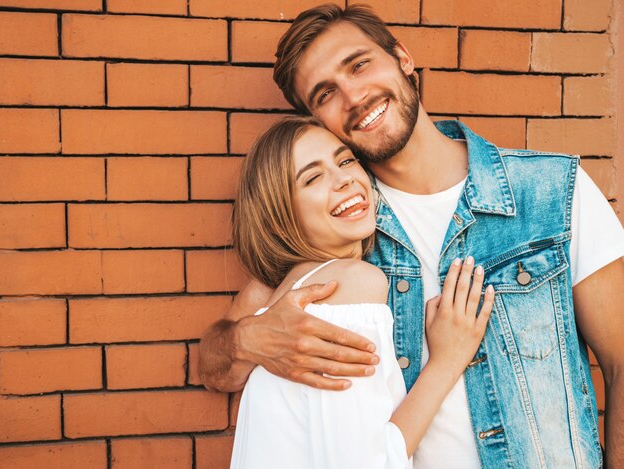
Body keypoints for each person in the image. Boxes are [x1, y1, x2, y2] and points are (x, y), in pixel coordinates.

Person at [199, 4, 624, 468]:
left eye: (359, 64)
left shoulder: (551, 192)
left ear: (402, 57)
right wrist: (250, 339)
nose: (354, 96)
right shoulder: (334, 231)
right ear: (318, 122)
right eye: (325, 94)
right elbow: (217, 365)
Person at [229, 116, 494, 467]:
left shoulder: (285, 295)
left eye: (345, 160)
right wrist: (447, 361)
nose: (344, 180)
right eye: (312, 177)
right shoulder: (349, 284)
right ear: (280, 215)